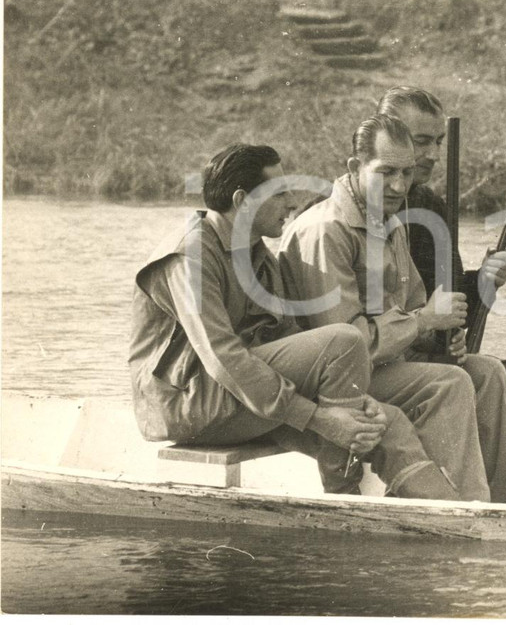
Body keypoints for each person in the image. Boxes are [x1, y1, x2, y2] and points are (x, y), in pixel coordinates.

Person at [128, 143, 459, 500]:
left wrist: (357, 402)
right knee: (344, 341)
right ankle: (343, 497)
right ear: (241, 200)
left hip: (240, 398)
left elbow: (287, 340)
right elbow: (223, 358)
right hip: (188, 407)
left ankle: (455, 518)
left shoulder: (257, 256)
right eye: (279, 193)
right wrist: (320, 419)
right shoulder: (189, 256)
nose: (291, 203)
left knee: (384, 422)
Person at [278, 116, 506, 503]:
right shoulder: (326, 230)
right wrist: (425, 321)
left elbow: (413, 308)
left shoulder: (389, 223)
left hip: (377, 367)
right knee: (449, 383)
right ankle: (465, 506)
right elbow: (345, 345)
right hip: (330, 384)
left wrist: (438, 336)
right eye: (386, 173)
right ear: (355, 167)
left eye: (407, 172)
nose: (400, 186)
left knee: (487, 372)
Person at [376, 87, 506, 506]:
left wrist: (483, 282)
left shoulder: (431, 206)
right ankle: (455, 494)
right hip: (391, 367)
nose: (434, 154)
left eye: (439, 142)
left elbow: (449, 300)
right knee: (463, 381)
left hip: (435, 358)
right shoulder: (363, 210)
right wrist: (427, 330)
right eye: (422, 141)